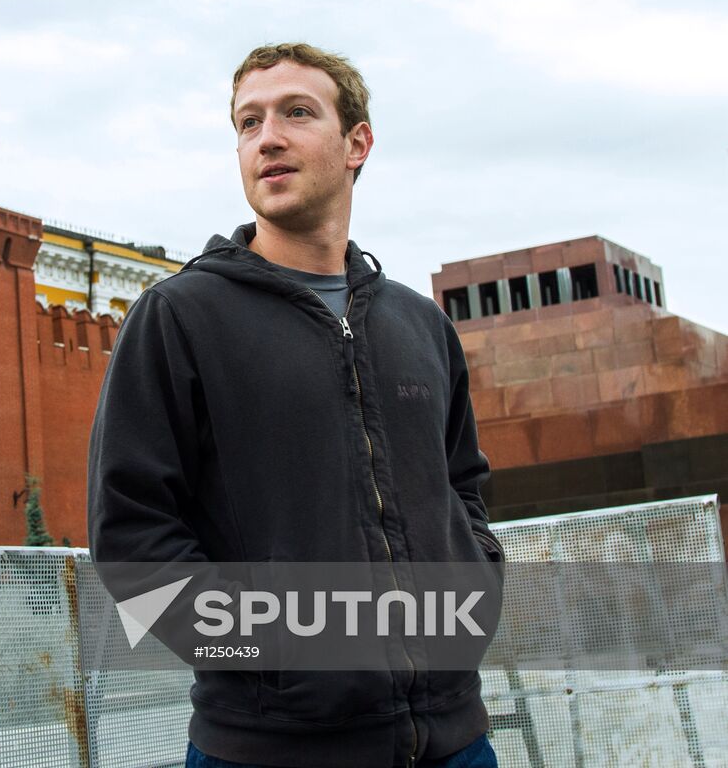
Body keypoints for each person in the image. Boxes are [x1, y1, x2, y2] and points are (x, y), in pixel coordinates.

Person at [86, 43, 503, 768]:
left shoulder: (419, 325)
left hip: (454, 741)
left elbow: (462, 490)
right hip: (267, 749)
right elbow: (132, 539)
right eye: (247, 123)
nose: (266, 137)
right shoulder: (179, 317)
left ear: (356, 143)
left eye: (295, 113)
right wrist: (268, 653)